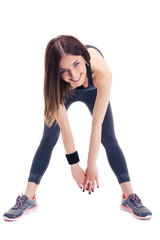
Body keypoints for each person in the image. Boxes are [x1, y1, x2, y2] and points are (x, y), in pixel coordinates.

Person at [3, 35, 152, 221]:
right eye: (63, 70)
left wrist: (91, 165)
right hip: (65, 92)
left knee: (108, 137)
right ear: (55, 72)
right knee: (49, 137)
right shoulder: (54, 84)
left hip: (93, 90)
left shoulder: (102, 73)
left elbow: (96, 124)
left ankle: (129, 197)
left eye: (76, 64)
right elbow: (65, 127)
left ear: (85, 59)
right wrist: (74, 165)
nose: (73, 76)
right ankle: (29, 197)